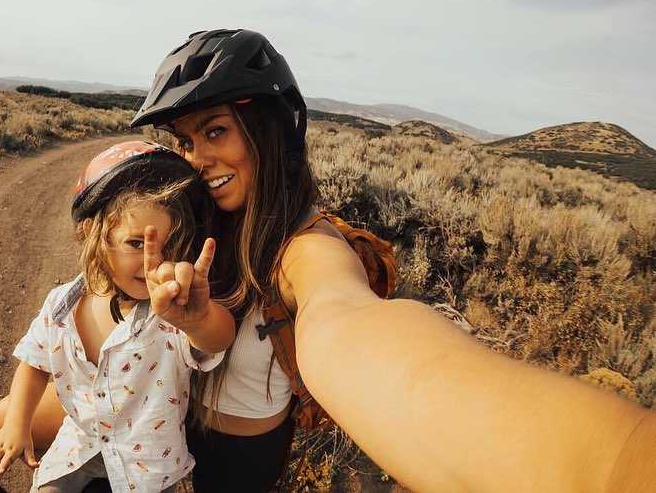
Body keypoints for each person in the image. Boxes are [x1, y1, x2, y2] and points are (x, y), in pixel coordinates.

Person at [127, 28, 656, 492]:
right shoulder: (211, 219)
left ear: (270, 131)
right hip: (178, 437)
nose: (198, 158)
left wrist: (614, 466)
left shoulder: (305, 250)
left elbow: (349, 318)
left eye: (215, 131)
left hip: (241, 461)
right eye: (187, 140)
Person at [0, 141, 236, 493]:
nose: (150, 262)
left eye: (168, 247)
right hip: (78, 448)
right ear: (94, 233)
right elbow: (33, 364)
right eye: (136, 244)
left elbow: (217, 337)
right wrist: (16, 424)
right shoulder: (61, 305)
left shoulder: (172, 313)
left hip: (149, 470)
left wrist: (196, 319)